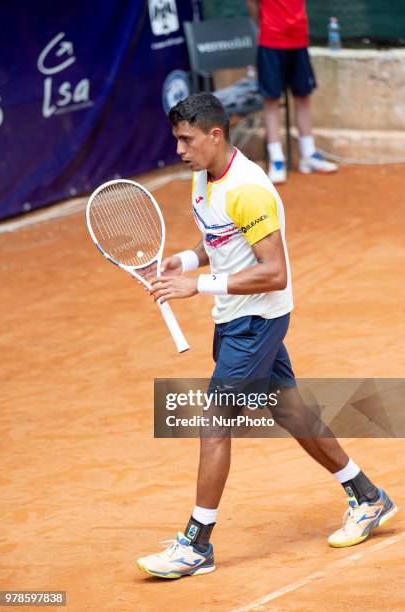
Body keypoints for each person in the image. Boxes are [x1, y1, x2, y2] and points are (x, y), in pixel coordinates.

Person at [136, 93, 396, 579]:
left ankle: (196, 544)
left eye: (186, 139)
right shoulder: (203, 178)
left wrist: (199, 284)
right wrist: (188, 261)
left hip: (258, 319)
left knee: (214, 420)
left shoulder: (250, 189)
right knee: (290, 408)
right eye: (177, 139)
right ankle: (368, 496)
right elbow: (218, 237)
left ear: (215, 136)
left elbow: (274, 272)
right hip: (234, 314)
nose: (180, 149)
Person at [246, 0, 337, 184]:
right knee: (271, 100)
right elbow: (251, 3)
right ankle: (277, 158)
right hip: (271, 40)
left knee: (303, 96)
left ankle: (308, 154)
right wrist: (265, 26)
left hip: (299, 39)